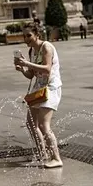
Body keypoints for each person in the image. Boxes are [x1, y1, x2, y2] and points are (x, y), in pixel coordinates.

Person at [14, 22, 63, 168]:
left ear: (37, 35)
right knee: (31, 124)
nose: (26, 38)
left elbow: (47, 69)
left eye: (29, 35)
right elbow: (31, 75)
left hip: (51, 88)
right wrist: (22, 68)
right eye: (24, 36)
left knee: (43, 125)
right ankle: (43, 154)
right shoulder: (32, 51)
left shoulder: (46, 47)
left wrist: (27, 64)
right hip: (38, 90)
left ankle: (56, 158)